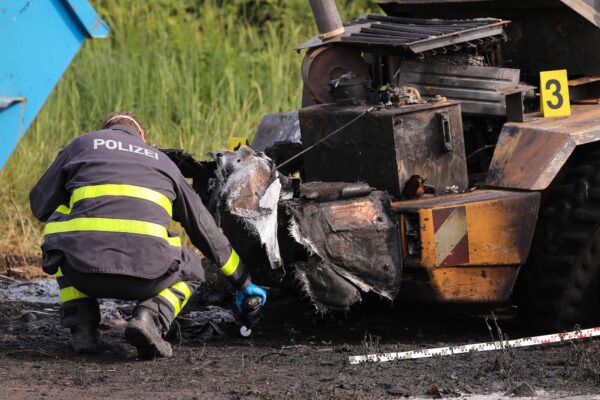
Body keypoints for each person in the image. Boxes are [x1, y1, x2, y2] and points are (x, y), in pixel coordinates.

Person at [29, 112, 267, 359]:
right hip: (147, 277)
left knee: (61, 234)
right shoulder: (163, 162)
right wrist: (243, 281)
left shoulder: (82, 145)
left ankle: (83, 329)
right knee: (193, 267)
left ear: (105, 130)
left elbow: (40, 206)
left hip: (82, 272)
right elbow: (204, 230)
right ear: (142, 136)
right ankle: (149, 318)